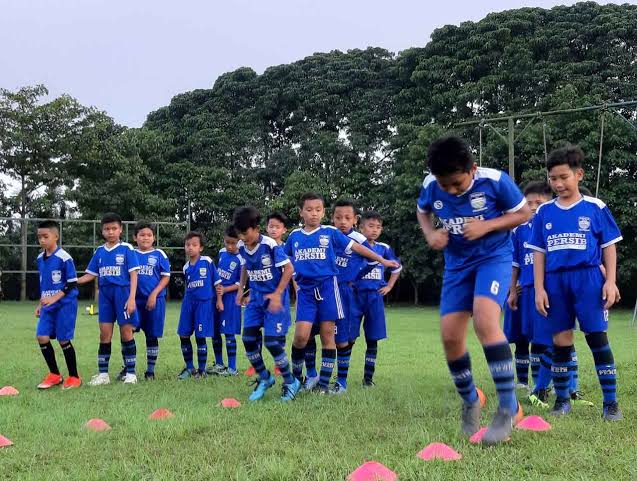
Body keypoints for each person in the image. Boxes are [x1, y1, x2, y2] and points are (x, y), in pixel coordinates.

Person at [416, 136, 531, 444]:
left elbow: (523, 214)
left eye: (457, 184)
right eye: (445, 186)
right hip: (457, 264)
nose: (451, 191)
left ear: (473, 169)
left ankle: (509, 406)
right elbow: (423, 211)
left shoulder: (495, 181)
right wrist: (430, 233)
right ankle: (471, 398)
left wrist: (488, 225)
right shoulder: (431, 184)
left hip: (493, 258)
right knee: (451, 336)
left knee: (484, 320)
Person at [529, 145, 623, 420]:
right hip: (555, 282)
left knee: (597, 338)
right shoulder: (544, 212)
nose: (557, 183)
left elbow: (609, 246)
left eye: (563, 177)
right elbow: (538, 253)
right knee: (561, 341)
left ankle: (611, 403)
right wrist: (539, 288)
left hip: (589, 279)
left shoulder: (596, 207)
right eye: (552, 178)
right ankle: (561, 400)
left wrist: (611, 282)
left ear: (579, 174)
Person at [285, 192, 400, 394]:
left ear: (355, 220)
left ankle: (338, 382)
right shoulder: (301, 236)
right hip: (310, 291)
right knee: (306, 335)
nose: (342, 221)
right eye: (338, 217)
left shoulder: (345, 236)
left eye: (347, 218)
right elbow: (285, 259)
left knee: (339, 339)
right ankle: (308, 376)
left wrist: (357, 276)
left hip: (339, 291)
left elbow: (366, 256)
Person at [233, 206, 300, 401]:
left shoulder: (270, 245)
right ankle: (265, 378)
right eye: (240, 234)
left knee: (271, 342)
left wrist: (278, 293)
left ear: (256, 228)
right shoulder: (241, 246)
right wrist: (241, 289)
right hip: (255, 300)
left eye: (245, 233)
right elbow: (245, 265)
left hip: (274, 300)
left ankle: (291, 382)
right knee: (248, 339)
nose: (243, 237)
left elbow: (289, 269)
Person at [78, 213, 141, 385]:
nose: (111, 232)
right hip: (105, 296)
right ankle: (103, 375)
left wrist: (132, 298)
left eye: (114, 228)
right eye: (107, 229)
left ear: (120, 230)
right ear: (102, 231)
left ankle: (131, 374)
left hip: (123, 294)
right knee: (104, 334)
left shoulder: (127, 249)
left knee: (126, 332)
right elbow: (90, 274)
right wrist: (73, 281)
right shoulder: (99, 251)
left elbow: (134, 275)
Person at [353, 210, 402, 388]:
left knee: (372, 339)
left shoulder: (384, 248)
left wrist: (389, 286)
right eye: (370, 226)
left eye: (378, 227)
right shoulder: (353, 245)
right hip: (354, 297)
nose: (374, 230)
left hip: (374, 298)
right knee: (348, 339)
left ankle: (368, 379)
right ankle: (341, 378)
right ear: (360, 227)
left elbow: (396, 268)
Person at [34, 220, 81, 390]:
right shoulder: (40, 258)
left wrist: (55, 298)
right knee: (42, 336)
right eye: (39, 237)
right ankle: (54, 374)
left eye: (45, 236)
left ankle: (74, 377)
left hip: (64, 304)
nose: (42, 240)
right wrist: (41, 303)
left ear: (56, 236)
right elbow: (44, 283)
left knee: (63, 339)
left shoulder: (64, 257)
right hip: (47, 304)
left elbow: (72, 283)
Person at [177, 231, 223, 379]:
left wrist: (219, 300)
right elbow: (188, 285)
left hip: (204, 304)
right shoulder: (185, 267)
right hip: (188, 302)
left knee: (200, 336)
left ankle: (202, 370)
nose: (190, 247)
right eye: (187, 245)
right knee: (183, 334)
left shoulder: (207, 262)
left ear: (201, 247)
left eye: (194, 245)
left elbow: (217, 284)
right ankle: (190, 368)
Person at [132, 221, 171, 380]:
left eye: (149, 235)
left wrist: (154, 294)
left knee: (151, 336)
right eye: (142, 235)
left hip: (155, 301)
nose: (145, 238)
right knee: (128, 333)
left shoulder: (160, 255)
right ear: (135, 237)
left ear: (154, 238)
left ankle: (150, 371)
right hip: (134, 301)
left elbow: (166, 277)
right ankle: (129, 369)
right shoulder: (131, 253)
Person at [209, 225, 243, 376]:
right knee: (215, 331)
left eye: (233, 243)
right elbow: (216, 274)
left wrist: (225, 290)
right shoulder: (222, 253)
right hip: (217, 296)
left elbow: (241, 283)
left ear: (240, 242)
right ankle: (219, 363)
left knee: (229, 333)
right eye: (227, 242)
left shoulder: (242, 258)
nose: (230, 246)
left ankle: (233, 368)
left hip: (230, 299)